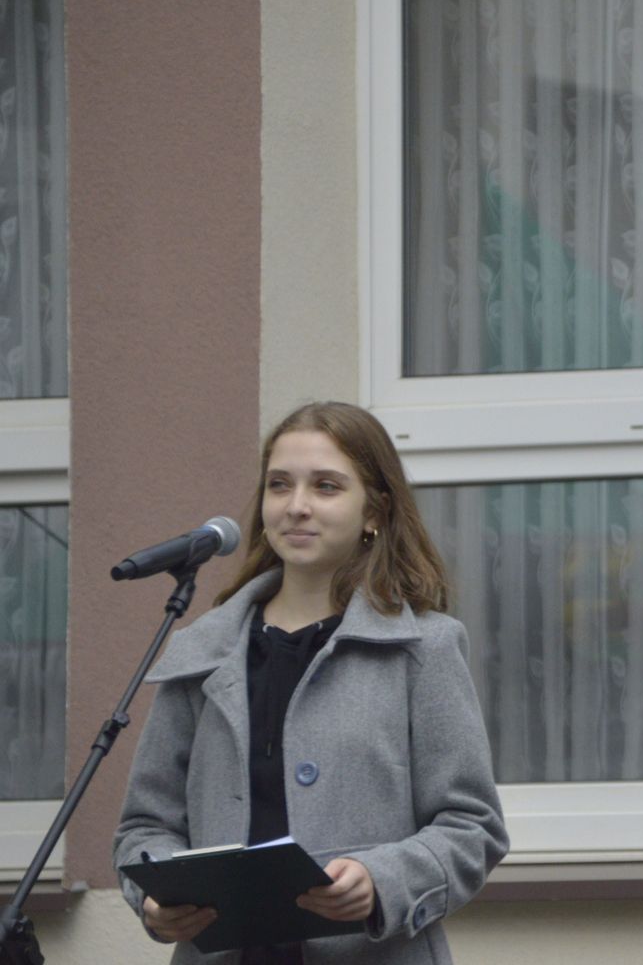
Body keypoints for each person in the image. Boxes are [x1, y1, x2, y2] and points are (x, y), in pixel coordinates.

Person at [114, 402, 507, 965]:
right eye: (280, 485)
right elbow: (145, 826)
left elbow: (473, 827)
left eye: (326, 486)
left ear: (375, 511)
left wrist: (381, 880)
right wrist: (155, 898)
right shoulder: (202, 651)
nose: (296, 505)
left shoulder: (424, 648)